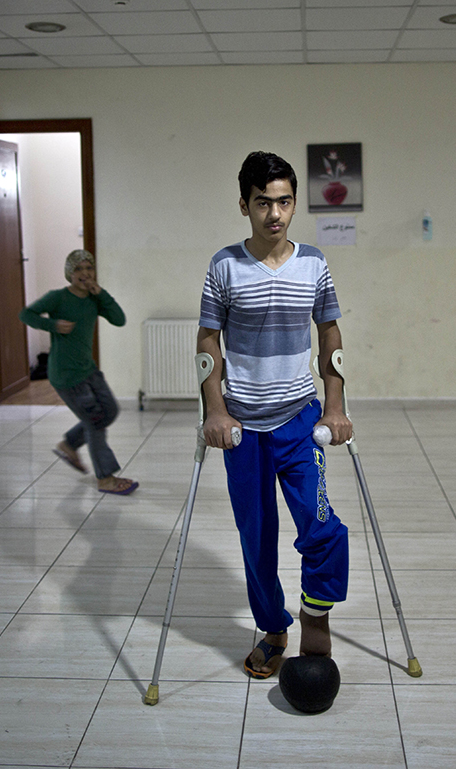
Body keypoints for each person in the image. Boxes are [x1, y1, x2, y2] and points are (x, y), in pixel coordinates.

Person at [197, 150, 353, 679]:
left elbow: (329, 334)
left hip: (297, 421)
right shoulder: (224, 265)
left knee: (322, 527)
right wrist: (215, 410)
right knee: (256, 536)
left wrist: (335, 407)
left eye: (285, 202)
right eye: (263, 203)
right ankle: (272, 626)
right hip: (243, 428)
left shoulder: (313, 262)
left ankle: (314, 613)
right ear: (244, 204)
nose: (275, 215)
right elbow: (206, 342)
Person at [20, 249, 139, 495]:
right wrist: (52, 325)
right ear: (69, 274)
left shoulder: (95, 299)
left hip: (88, 369)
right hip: (66, 374)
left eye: (89, 268)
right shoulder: (58, 298)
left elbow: (119, 319)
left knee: (110, 411)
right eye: (78, 269)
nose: (85, 274)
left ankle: (69, 444)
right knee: (95, 421)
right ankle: (105, 478)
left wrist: (101, 293)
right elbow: (26, 314)